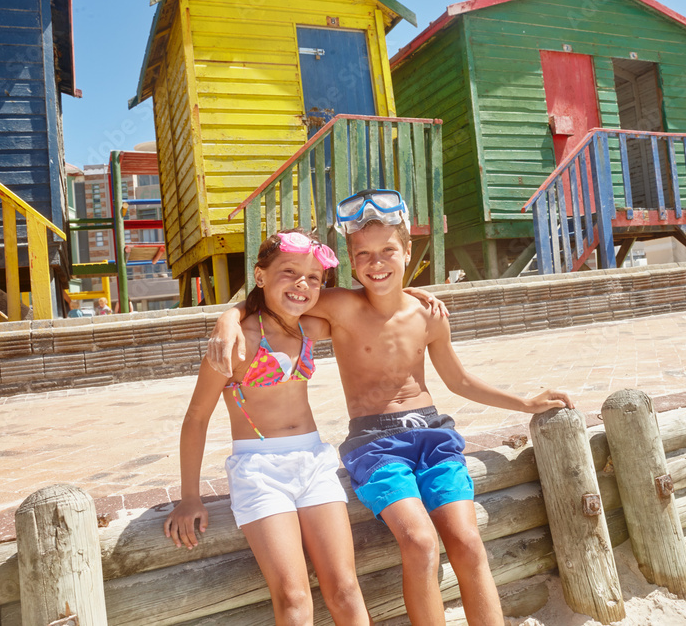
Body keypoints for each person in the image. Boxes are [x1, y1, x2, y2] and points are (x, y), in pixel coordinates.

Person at [208, 189, 573, 625]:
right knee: (419, 541)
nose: (376, 263)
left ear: (408, 252)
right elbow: (273, 300)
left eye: (387, 252)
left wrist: (525, 403)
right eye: (363, 254)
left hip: (433, 435)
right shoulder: (341, 306)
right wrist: (226, 318)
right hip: (374, 443)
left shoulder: (428, 315)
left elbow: (457, 380)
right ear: (349, 258)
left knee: (468, 541)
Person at [165, 230, 370, 626]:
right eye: (289, 271)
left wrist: (418, 296)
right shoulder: (235, 342)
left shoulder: (310, 327)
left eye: (314, 277)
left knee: (345, 588)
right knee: (293, 599)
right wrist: (190, 497)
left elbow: (370, 303)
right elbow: (196, 417)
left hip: (314, 463)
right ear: (260, 276)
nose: (302, 284)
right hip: (260, 471)